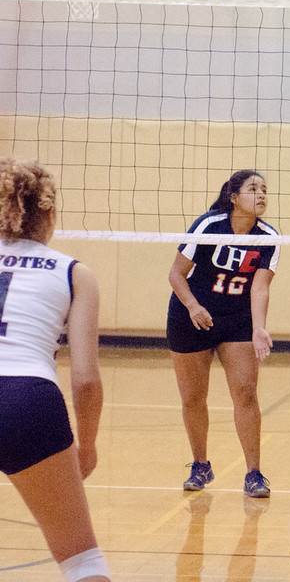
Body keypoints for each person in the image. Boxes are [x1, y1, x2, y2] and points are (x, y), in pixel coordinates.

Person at [0, 157, 111, 582]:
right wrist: (88, 445)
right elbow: (84, 378)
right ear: (49, 213)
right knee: (82, 561)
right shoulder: (73, 273)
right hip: (27, 401)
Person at [166, 169, 279, 497]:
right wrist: (193, 306)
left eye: (264, 190)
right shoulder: (208, 226)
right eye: (253, 189)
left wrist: (259, 328)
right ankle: (200, 465)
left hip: (236, 320)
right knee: (192, 397)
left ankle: (254, 474)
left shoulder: (268, 236)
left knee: (245, 393)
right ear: (233, 197)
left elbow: (260, 288)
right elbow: (176, 274)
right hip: (191, 316)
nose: (261, 195)